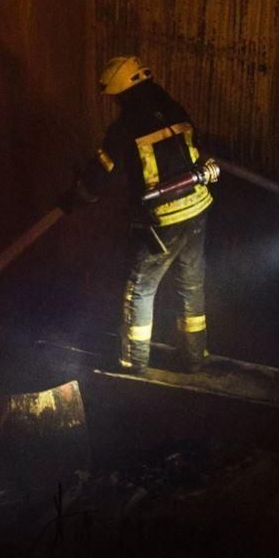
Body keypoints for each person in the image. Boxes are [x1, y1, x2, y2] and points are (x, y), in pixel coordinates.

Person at [61, 55, 214, 372]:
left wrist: (75, 198)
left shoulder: (125, 128)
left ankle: (133, 363)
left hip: (163, 219)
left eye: (115, 97)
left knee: (139, 287)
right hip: (198, 208)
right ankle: (194, 356)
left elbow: (99, 176)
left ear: (122, 94)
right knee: (191, 283)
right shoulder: (174, 109)